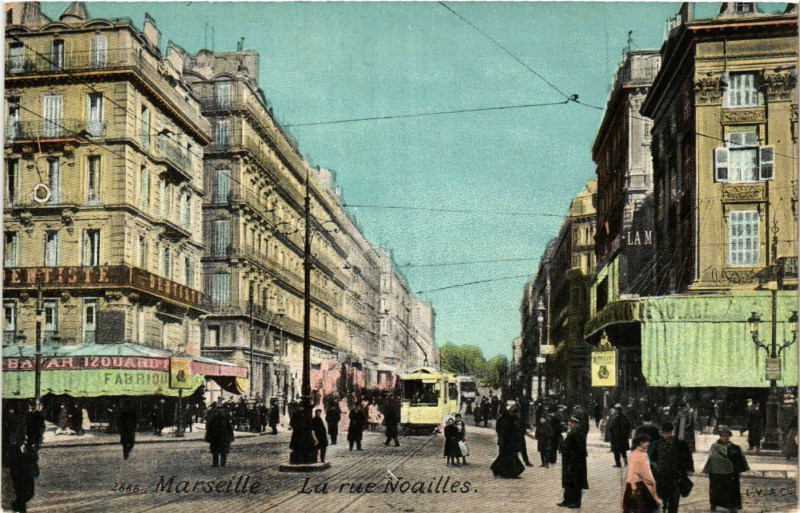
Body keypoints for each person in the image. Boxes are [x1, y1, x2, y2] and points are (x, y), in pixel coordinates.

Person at [649, 422, 694, 513]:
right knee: (663, 495)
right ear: (662, 433)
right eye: (665, 433)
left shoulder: (679, 443)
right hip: (662, 475)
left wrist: (690, 468)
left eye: (669, 433)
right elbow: (650, 458)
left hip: (676, 475)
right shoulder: (656, 444)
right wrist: (655, 468)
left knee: (674, 497)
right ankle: (665, 505)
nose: (668, 435)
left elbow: (688, 456)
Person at [702, 426, 749, 512]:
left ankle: (732, 506)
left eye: (727, 436)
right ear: (720, 436)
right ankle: (714, 505)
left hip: (731, 473)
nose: (725, 438)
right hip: (716, 472)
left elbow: (739, 459)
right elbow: (712, 458)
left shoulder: (734, 447)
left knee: (731, 490)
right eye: (723, 436)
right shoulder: (715, 446)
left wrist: (737, 467)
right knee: (716, 489)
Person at [622, 434, 661, 513]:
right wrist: (652, 482)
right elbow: (644, 471)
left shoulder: (632, 453)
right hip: (640, 486)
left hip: (632, 485)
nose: (648, 443)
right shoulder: (641, 455)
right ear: (640, 443)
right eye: (646, 442)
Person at [558, 416, 588, 509]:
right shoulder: (573, 431)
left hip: (575, 462)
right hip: (570, 461)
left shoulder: (578, 433)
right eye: (570, 422)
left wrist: (572, 459)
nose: (570, 424)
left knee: (576, 482)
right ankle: (567, 500)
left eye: (573, 422)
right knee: (568, 481)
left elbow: (579, 449)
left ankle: (576, 502)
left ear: (577, 423)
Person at [490, 405, 524, 478]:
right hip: (510, 441)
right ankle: (512, 472)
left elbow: (499, 430)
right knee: (510, 456)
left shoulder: (504, 419)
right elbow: (513, 431)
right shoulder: (511, 420)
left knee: (505, 456)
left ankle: (497, 469)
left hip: (507, 441)